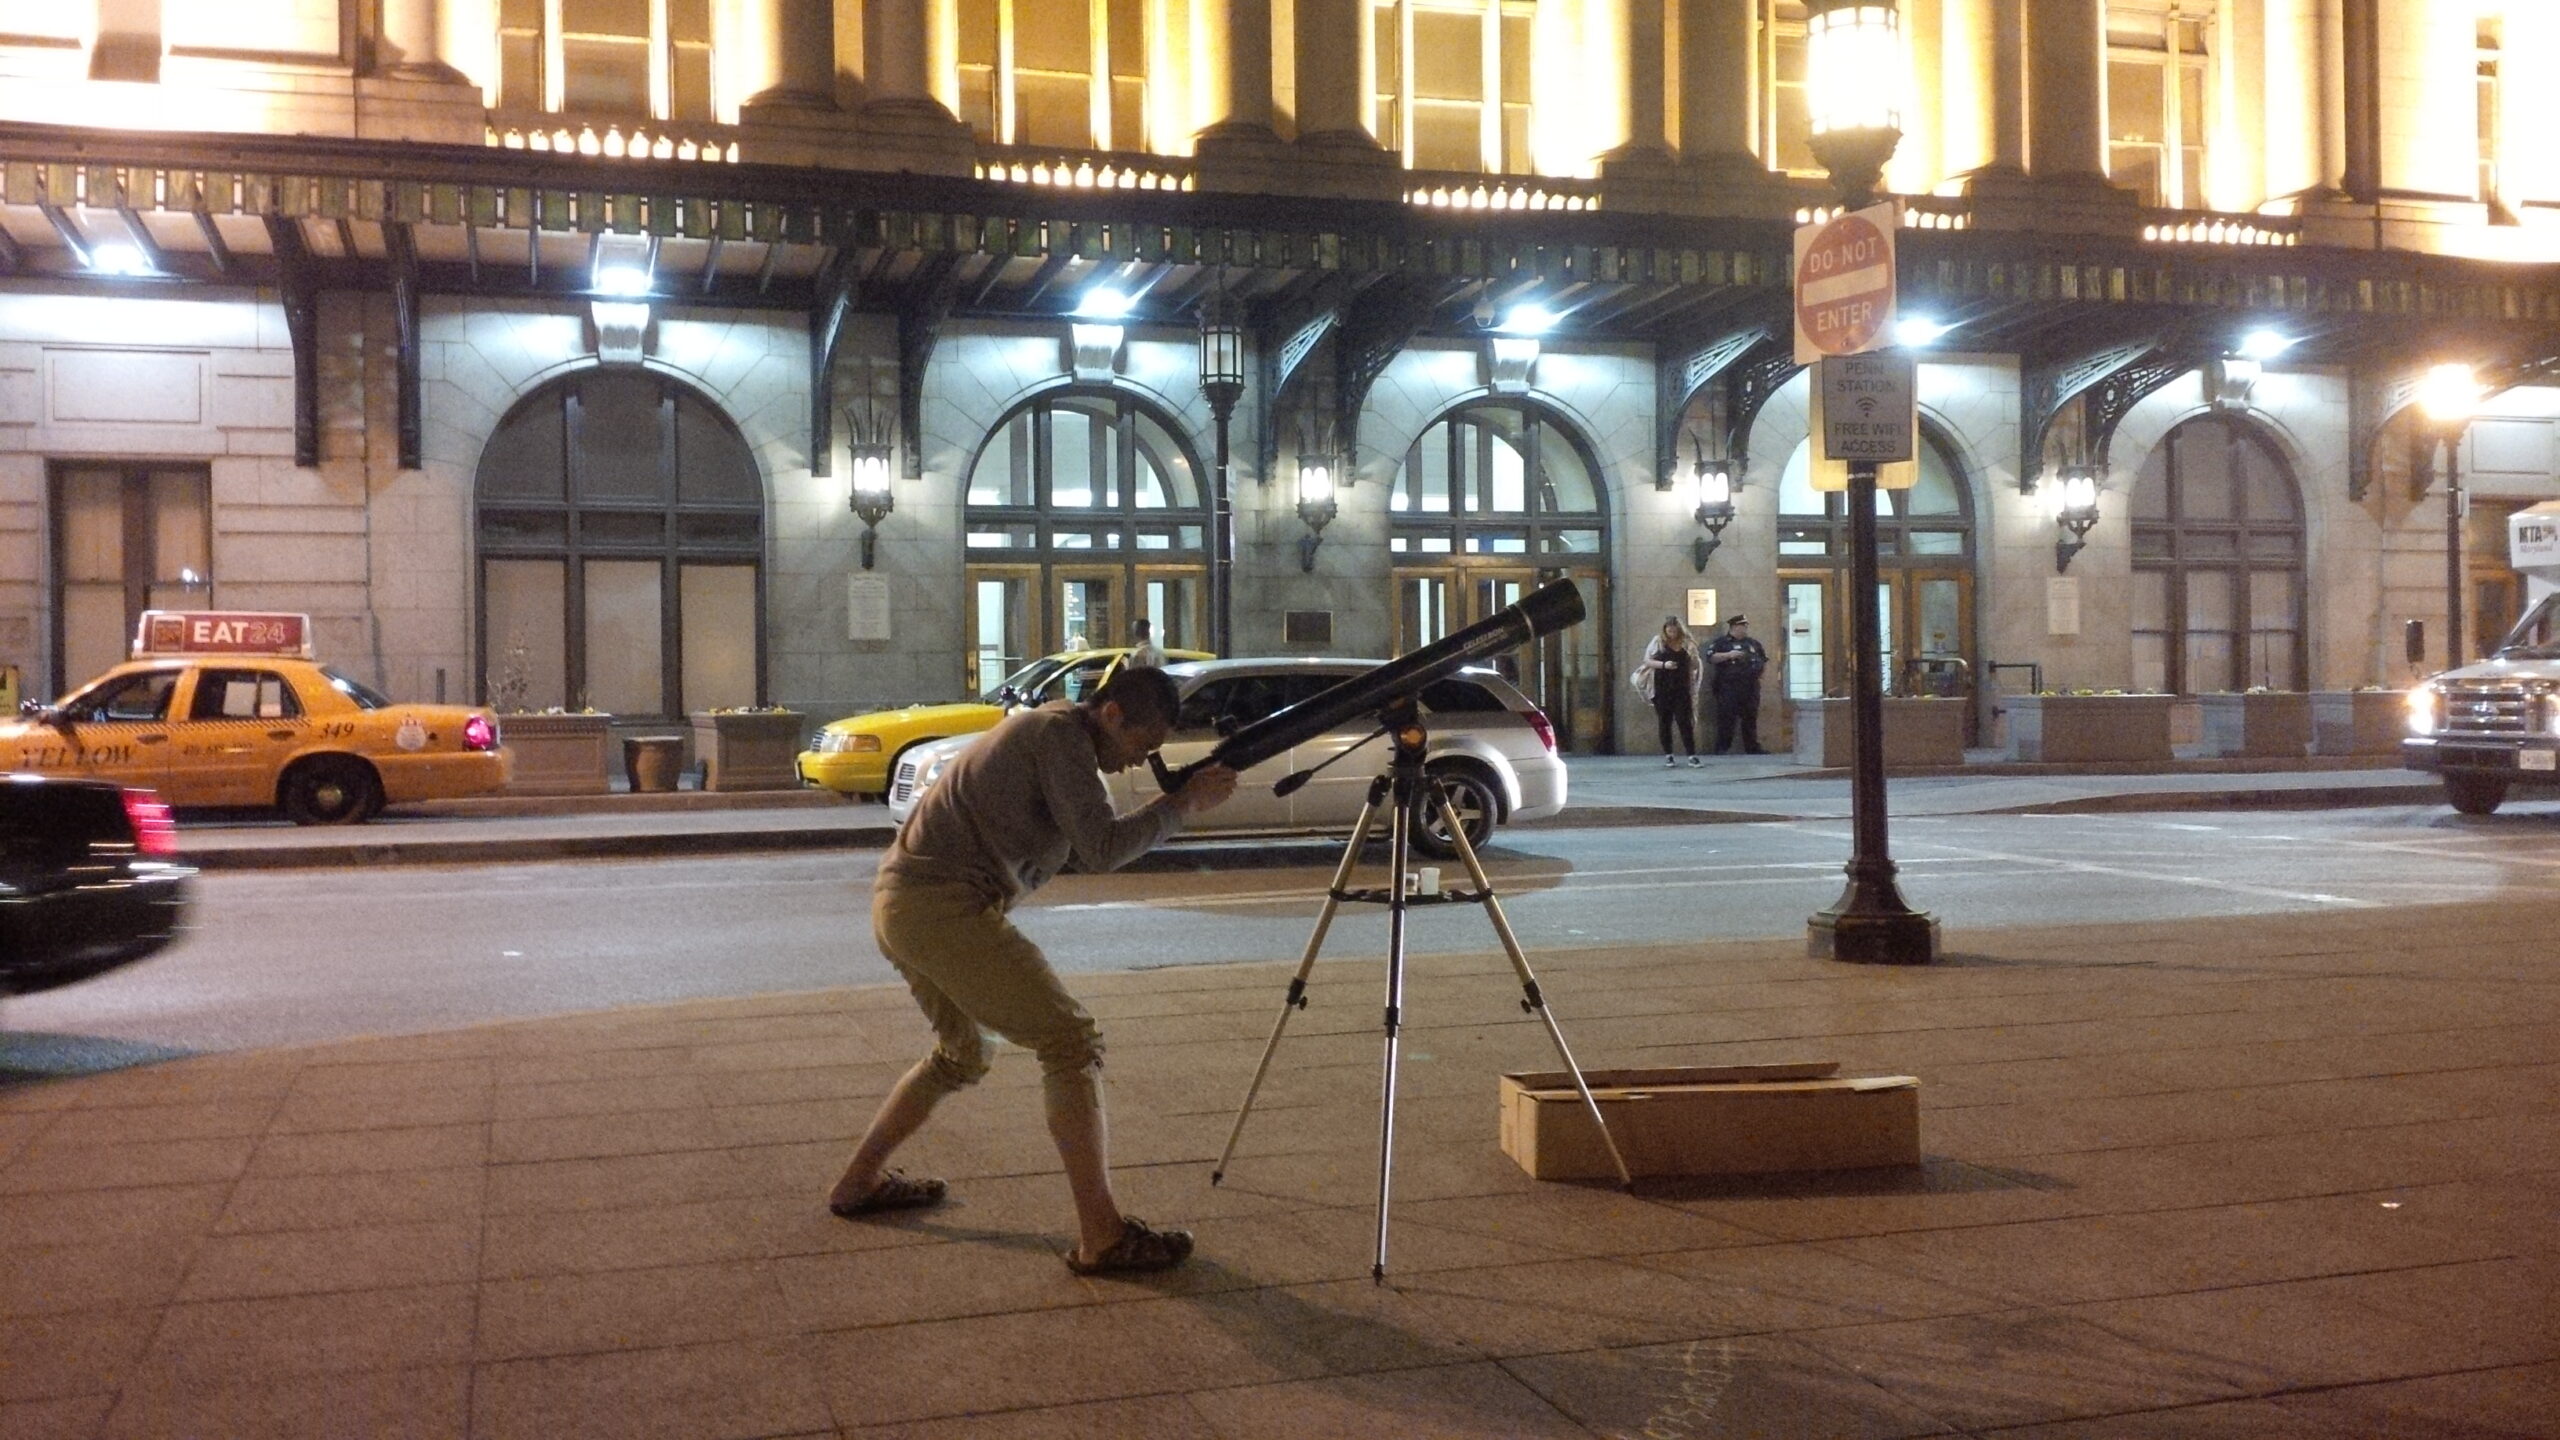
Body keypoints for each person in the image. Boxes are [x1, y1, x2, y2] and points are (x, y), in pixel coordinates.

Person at [827, 667, 1238, 1274]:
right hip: (942, 908)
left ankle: (856, 1185)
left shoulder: (1051, 733)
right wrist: (1181, 805)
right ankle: (1102, 1236)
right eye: (1141, 747)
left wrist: (1172, 802)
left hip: (905, 904)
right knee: (1070, 1042)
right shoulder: (1060, 739)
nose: (1134, 764)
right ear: (1113, 714)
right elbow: (1101, 849)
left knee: (961, 1054)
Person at [1636, 615, 1704, 767]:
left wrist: (1693, 659)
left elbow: (1695, 664)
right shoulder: (1658, 641)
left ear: (1679, 630)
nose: (1671, 633)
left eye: (1674, 630)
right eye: (1669, 630)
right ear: (1665, 630)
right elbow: (1647, 660)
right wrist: (1664, 664)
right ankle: (1669, 754)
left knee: (1684, 721)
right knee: (1664, 721)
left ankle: (1692, 755)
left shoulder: (1687, 643)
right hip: (1661, 686)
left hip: (1682, 687)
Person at [1706, 614, 1770, 754]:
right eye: (1742, 625)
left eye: (1746, 625)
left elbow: (1763, 660)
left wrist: (1760, 676)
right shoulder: (1722, 643)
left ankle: (1752, 746)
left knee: (1750, 717)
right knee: (1727, 717)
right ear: (1734, 626)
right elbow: (1711, 657)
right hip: (1729, 686)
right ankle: (1722, 747)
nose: (1745, 628)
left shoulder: (1753, 643)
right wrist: (1728, 655)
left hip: (1750, 686)